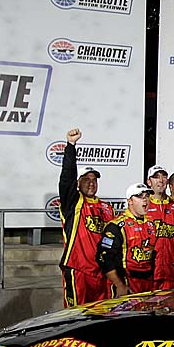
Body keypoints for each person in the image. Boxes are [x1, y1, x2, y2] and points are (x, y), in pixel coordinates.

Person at [58, 128, 115, 307]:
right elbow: (67, 178)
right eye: (86, 179)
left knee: (103, 316)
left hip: (103, 273)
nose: (91, 182)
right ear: (78, 183)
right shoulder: (73, 202)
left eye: (94, 179)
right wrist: (71, 146)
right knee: (75, 316)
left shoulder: (107, 208)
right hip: (79, 269)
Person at [97, 183, 155, 297]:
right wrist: (119, 285)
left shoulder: (151, 224)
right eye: (139, 196)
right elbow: (104, 258)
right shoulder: (116, 226)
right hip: (126, 282)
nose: (145, 200)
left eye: (147, 196)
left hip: (147, 283)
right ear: (130, 201)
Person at [147, 167, 174, 290]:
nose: (161, 180)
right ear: (149, 182)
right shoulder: (142, 206)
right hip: (147, 274)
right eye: (156, 177)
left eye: (163, 176)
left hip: (171, 272)